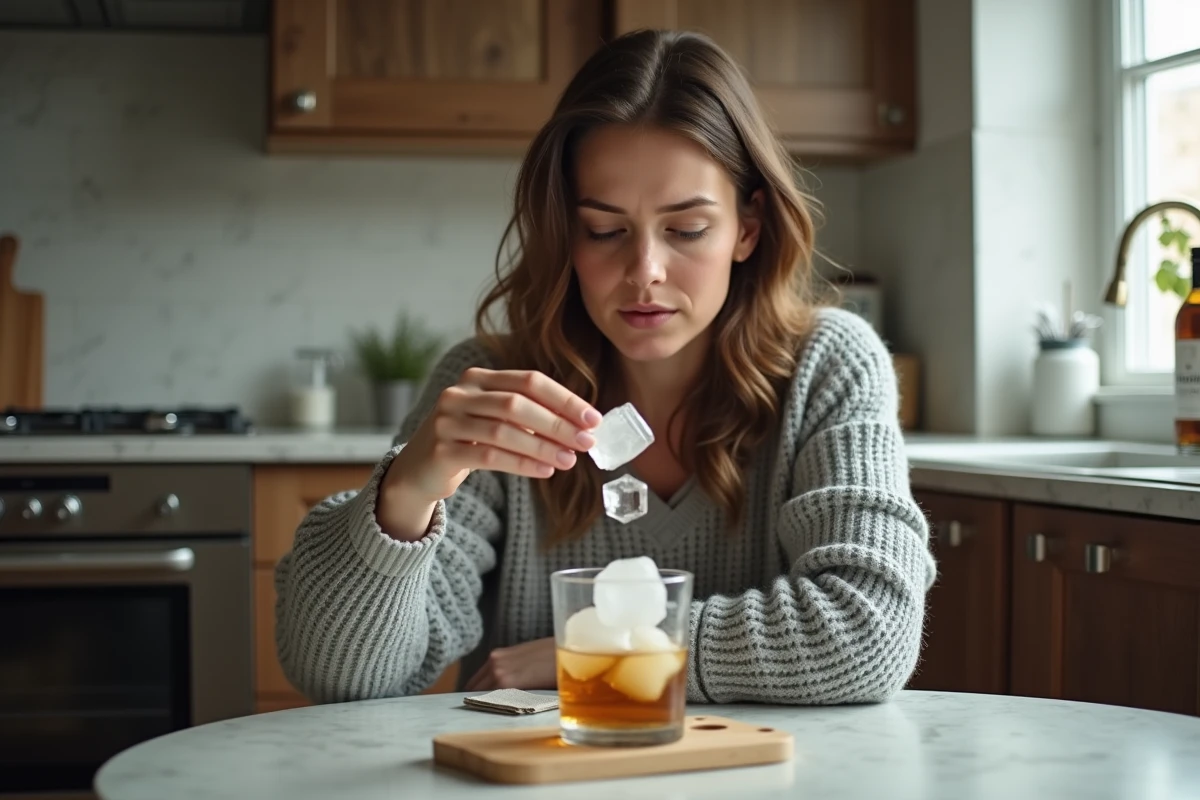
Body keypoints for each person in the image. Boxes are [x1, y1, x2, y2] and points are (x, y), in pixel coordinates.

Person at [274, 28, 936, 706]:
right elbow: (339, 675)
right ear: (566, 231)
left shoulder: (829, 366)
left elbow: (869, 631)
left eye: (686, 229)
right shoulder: (486, 383)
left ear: (749, 227)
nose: (644, 273)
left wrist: (598, 650)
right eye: (605, 230)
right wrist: (406, 493)